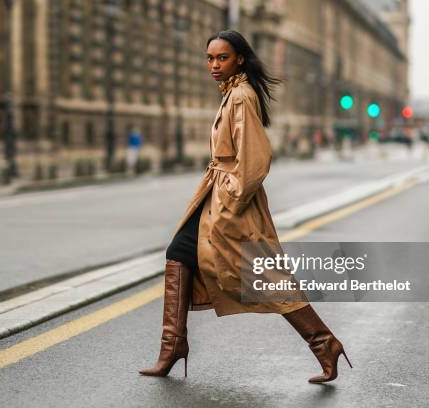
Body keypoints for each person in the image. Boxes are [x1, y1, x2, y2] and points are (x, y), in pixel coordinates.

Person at [139, 30, 352, 383]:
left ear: (239, 58)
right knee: (179, 252)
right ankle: (173, 344)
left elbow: (255, 159)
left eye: (222, 58)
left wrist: (231, 202)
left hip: (231, 201)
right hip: (218, 194)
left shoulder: (240, 96)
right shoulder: (233, 94)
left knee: (267, 277)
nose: (214, 65)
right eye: (209, 58)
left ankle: (324, 342)